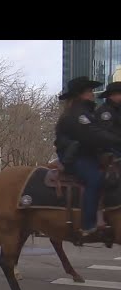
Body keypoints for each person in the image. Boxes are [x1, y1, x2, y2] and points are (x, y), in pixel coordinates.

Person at [55, 77, 121, 237]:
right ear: (80, 94)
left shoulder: (85, 112)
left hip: (87, 155)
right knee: (95, 178)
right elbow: (93, 135)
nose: (93, 94)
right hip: (75, 157)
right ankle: (88, 224)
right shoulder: (77, 114)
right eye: (89, 91)